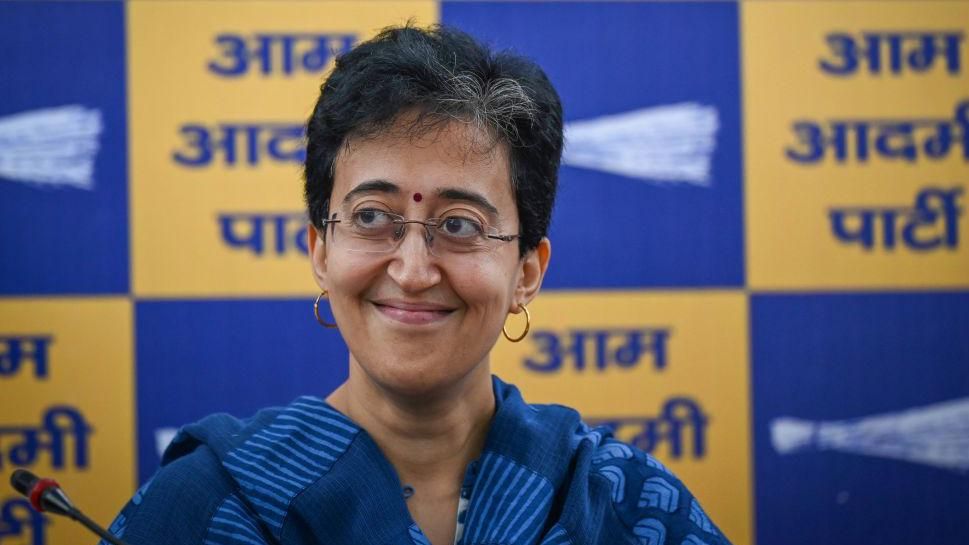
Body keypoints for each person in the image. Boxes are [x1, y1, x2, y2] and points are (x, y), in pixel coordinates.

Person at [101, 25, 732, 545]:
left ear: (527, 273)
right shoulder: (203, 508)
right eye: (372, 217)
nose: (411, 269)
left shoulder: (621, 510)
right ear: (321, 251)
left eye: (460, 225)